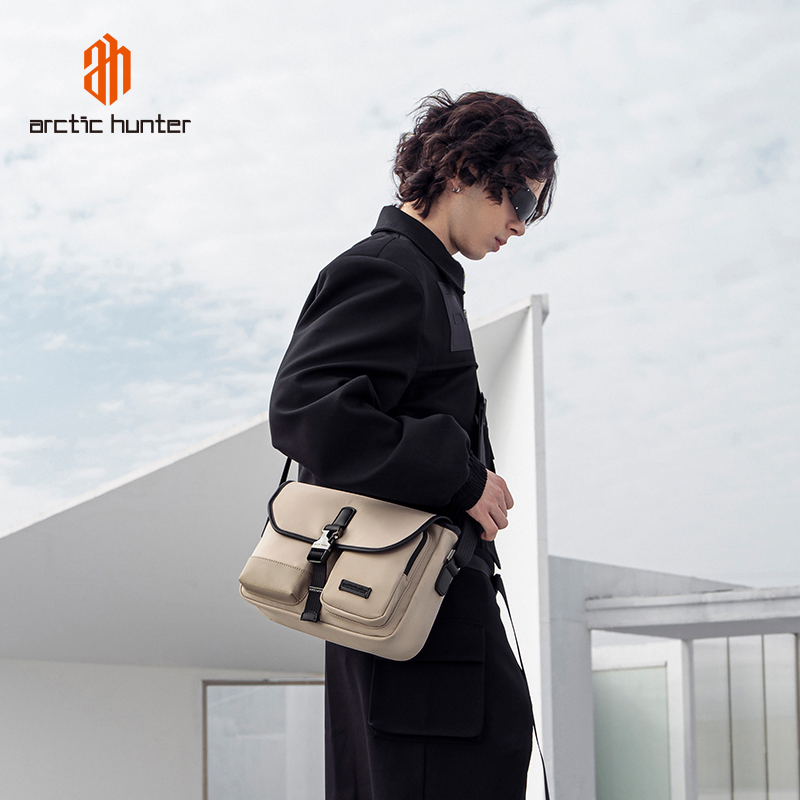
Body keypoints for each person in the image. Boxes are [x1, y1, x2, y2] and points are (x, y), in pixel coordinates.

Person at [269, 89, 557, 800]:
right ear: (463, 170)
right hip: (410, 632)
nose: (520, 225)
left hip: (422, 619)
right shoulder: (389, 269)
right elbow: (308, 410)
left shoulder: (429, 280)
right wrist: (462, 477)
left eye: (532, 210)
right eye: (520, 199)